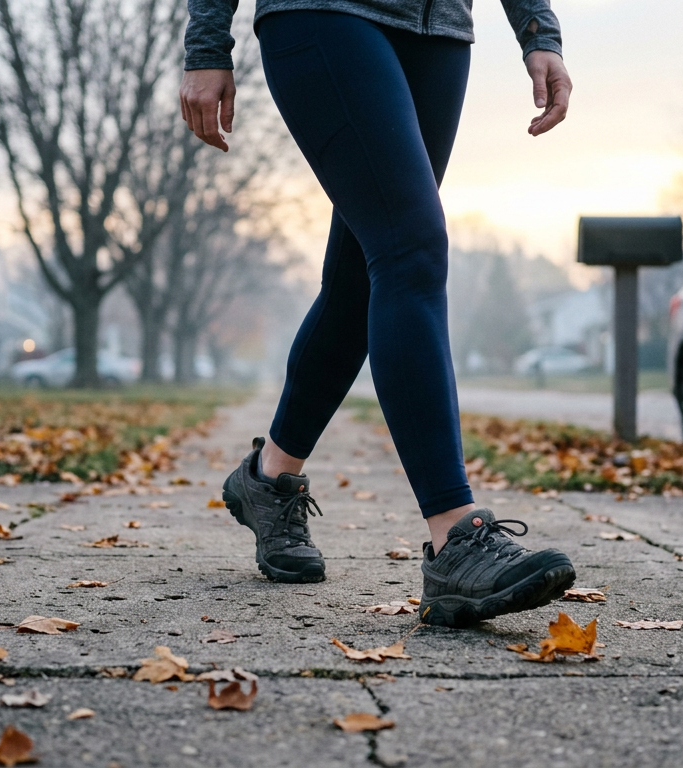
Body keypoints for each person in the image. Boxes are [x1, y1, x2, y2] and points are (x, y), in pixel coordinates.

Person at [181, 0, 576, 628]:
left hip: (438, 27)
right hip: (325, 13)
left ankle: (269, 477)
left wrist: (538, 30)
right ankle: (454, 537)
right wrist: (206, 46)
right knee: (411, 250)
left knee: (360, 282)